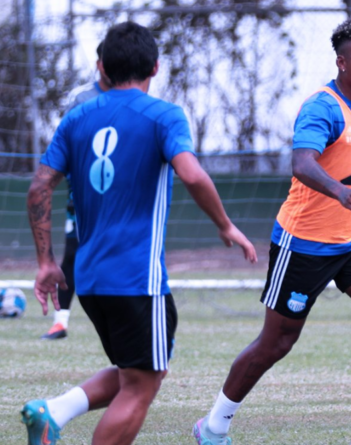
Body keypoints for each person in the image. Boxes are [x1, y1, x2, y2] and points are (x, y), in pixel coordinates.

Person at [22, 22, 257, 445]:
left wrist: (45, 262)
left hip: (89, 279)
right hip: (135, 278)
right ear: (155, 66)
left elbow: (39, 187)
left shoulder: (77, 118)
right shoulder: (163, 115)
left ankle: (53, 411)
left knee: (142, 370)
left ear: (103, 69)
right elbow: (191, 173)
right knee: (141, 385)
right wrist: (225, 225)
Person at [193, 16, 351, 445]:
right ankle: (214, 426)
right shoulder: (322, 107)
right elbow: (303, 164)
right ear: (341, 62)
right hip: (304, 243)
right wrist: (340, 194)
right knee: (276, 343)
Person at [41, 40, 112, 340]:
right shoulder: (81, 101)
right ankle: (61, 320)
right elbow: (65, 151)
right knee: (72, 255)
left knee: (114, 257)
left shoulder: (138, 99)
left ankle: (118, 322)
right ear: (100, 65)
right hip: (82, 198)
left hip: (121, 199)